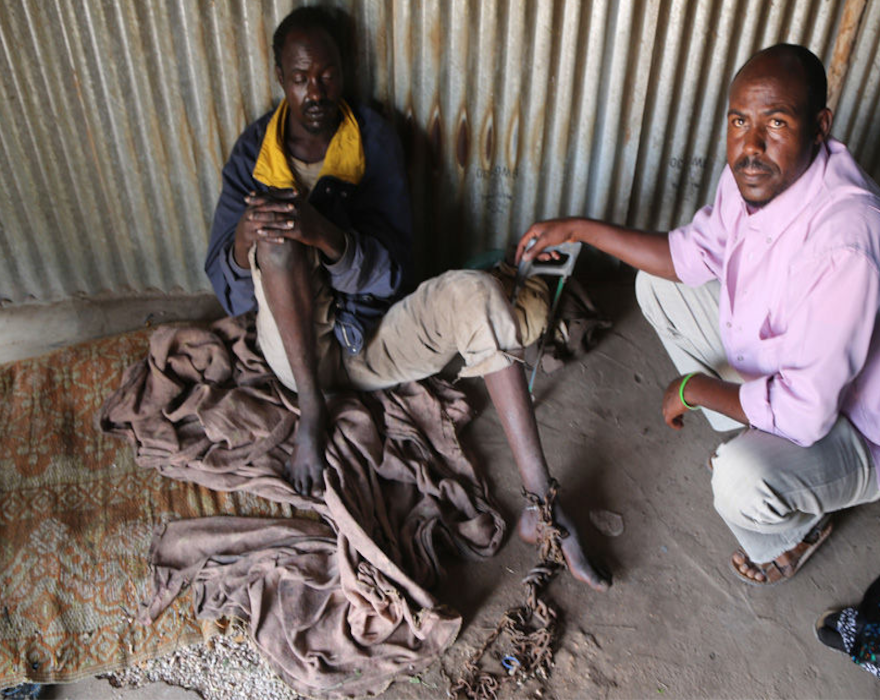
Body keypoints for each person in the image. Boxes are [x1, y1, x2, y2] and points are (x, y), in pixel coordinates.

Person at [204, 7, 609, 591]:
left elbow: (395, 272)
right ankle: (315, 412)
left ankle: (540, 505)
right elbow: (225, 288)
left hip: (372, 340)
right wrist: (245, 239)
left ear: (343, 72)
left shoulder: (371, 136)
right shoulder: (253, 153)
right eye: (299, 77)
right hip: (300, 359)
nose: (314, 91)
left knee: (475, 294)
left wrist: (329, 236)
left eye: (326, 75)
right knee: (274, 248)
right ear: (279, 77)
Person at [517, 43, 880, 586]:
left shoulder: (846, 240)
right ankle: (756, 431)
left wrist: (695, 389)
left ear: (819, 125)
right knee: (658, 289)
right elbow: (688, 256)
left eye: (776, 122)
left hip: (858, 424)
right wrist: (578, 229)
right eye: (739, 121)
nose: (751, 144)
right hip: (797, 373)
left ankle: (795, 530)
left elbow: (808, 412)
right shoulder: (756, 174)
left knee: (739, 481)